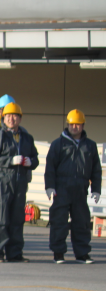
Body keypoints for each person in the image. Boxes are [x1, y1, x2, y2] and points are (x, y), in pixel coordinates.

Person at [46, 110, 101, 264]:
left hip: (80, 190)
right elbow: (50, 167)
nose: (74, 127)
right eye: (72, 124)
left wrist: (96, 189)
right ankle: (58, 253)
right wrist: (50, 187)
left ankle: (82, 254)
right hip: (61, 189)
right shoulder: (58, 144)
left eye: (78, 124)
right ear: (68, 124)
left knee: (82, 223)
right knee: (59, 222)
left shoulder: (90, 146)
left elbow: (96, 170)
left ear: (83, 125)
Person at [0, 101, 38, 263]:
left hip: (19, 183)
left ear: (20, 118)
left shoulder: (27, 138)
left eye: (14, 116)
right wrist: (10, 160)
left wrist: (31, 162)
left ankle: (15, 253)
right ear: (3, 118)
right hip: (1, 183)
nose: (11, 119)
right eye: (8, 116)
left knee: (17, 219)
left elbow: (35, 158)